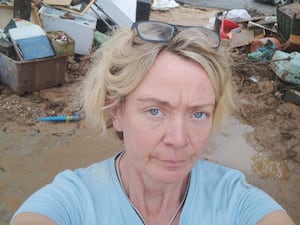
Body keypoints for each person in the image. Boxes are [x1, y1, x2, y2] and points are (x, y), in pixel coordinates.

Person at [10, 21, 295, 225]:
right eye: (155, 111)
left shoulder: (234, 201)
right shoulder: (73, 202)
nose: (179, 139)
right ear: (117, 111)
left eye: (198, 114)